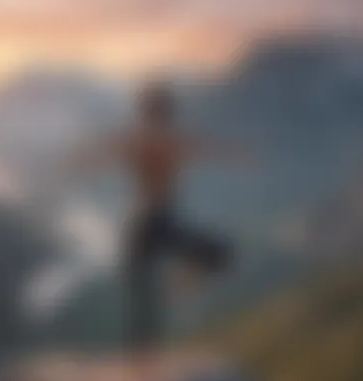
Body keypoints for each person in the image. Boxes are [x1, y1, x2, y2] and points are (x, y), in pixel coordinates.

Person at [62, 81, 253, 352]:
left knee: (143, 305)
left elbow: (102, 151)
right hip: (158, 220)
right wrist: (240, 157)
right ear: (166, 113)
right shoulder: (168, 141)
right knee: (217, 254)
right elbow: (209, 148)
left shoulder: (139, 141)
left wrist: (76, 162)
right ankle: (180, 285)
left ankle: (149, 341)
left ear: (144, 113)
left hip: (140, 223)